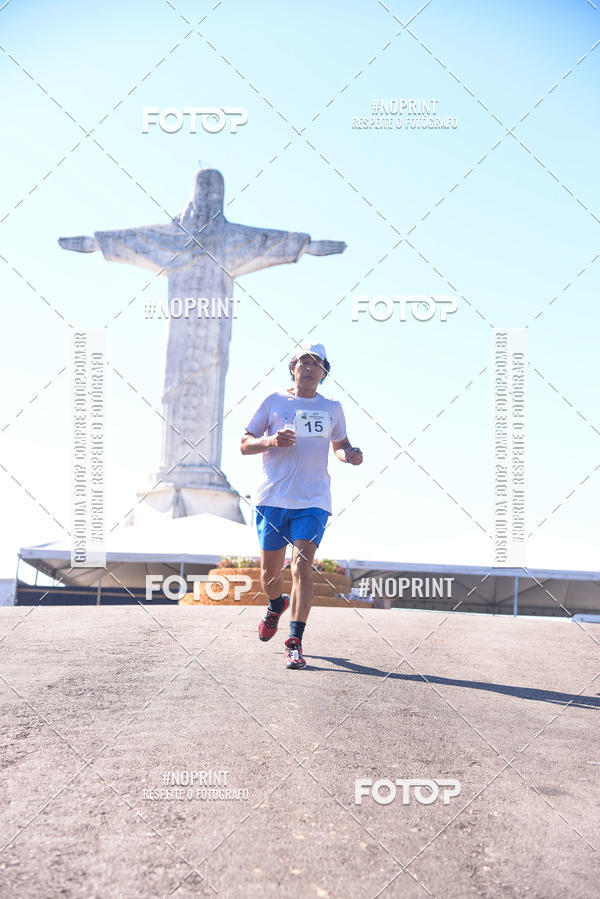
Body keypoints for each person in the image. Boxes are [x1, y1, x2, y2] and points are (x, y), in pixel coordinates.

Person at [240, 343, 363, 669]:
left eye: (316, 364)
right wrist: (270, 441)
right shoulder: (274, 401)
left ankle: (294, 641)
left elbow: (340, 444)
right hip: (273, 498)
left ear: (324, 372)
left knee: (301, 567)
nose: (309, 368)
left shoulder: (332, 407)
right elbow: (244, 444)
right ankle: (274, 605)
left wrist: (349, 455)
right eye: (303, 363)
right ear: (292, 367)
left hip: (313, 500)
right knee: (270, 575)